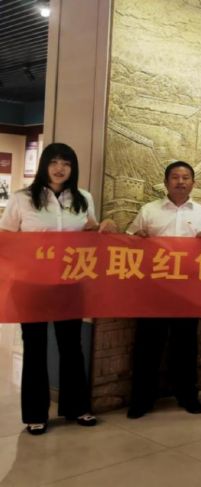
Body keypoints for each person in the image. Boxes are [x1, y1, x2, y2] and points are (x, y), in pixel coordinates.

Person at [0, 142, 115, 435]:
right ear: (44, 165)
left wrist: (102, 227)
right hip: (32, 285)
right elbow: (6, 238)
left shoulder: (83, 198)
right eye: (54, 162)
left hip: (70, 284)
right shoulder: (23, 198)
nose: (60, 168)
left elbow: (88, 231)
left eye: (66, 163)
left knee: (72, 346)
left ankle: (78, 407)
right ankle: (35, 414)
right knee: (35, 347)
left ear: (72, 168)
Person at [126, 161, 201, 418]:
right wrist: (137, 239)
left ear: (193, 183)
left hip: (188, 290)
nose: (180, 181)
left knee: (186, 345)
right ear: (166, 182)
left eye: (185, 177)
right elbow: (130, 241)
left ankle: (188, 395)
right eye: (175, 177)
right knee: (148, 345)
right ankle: (142, 399)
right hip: (154, 289)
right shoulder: (149, 210)